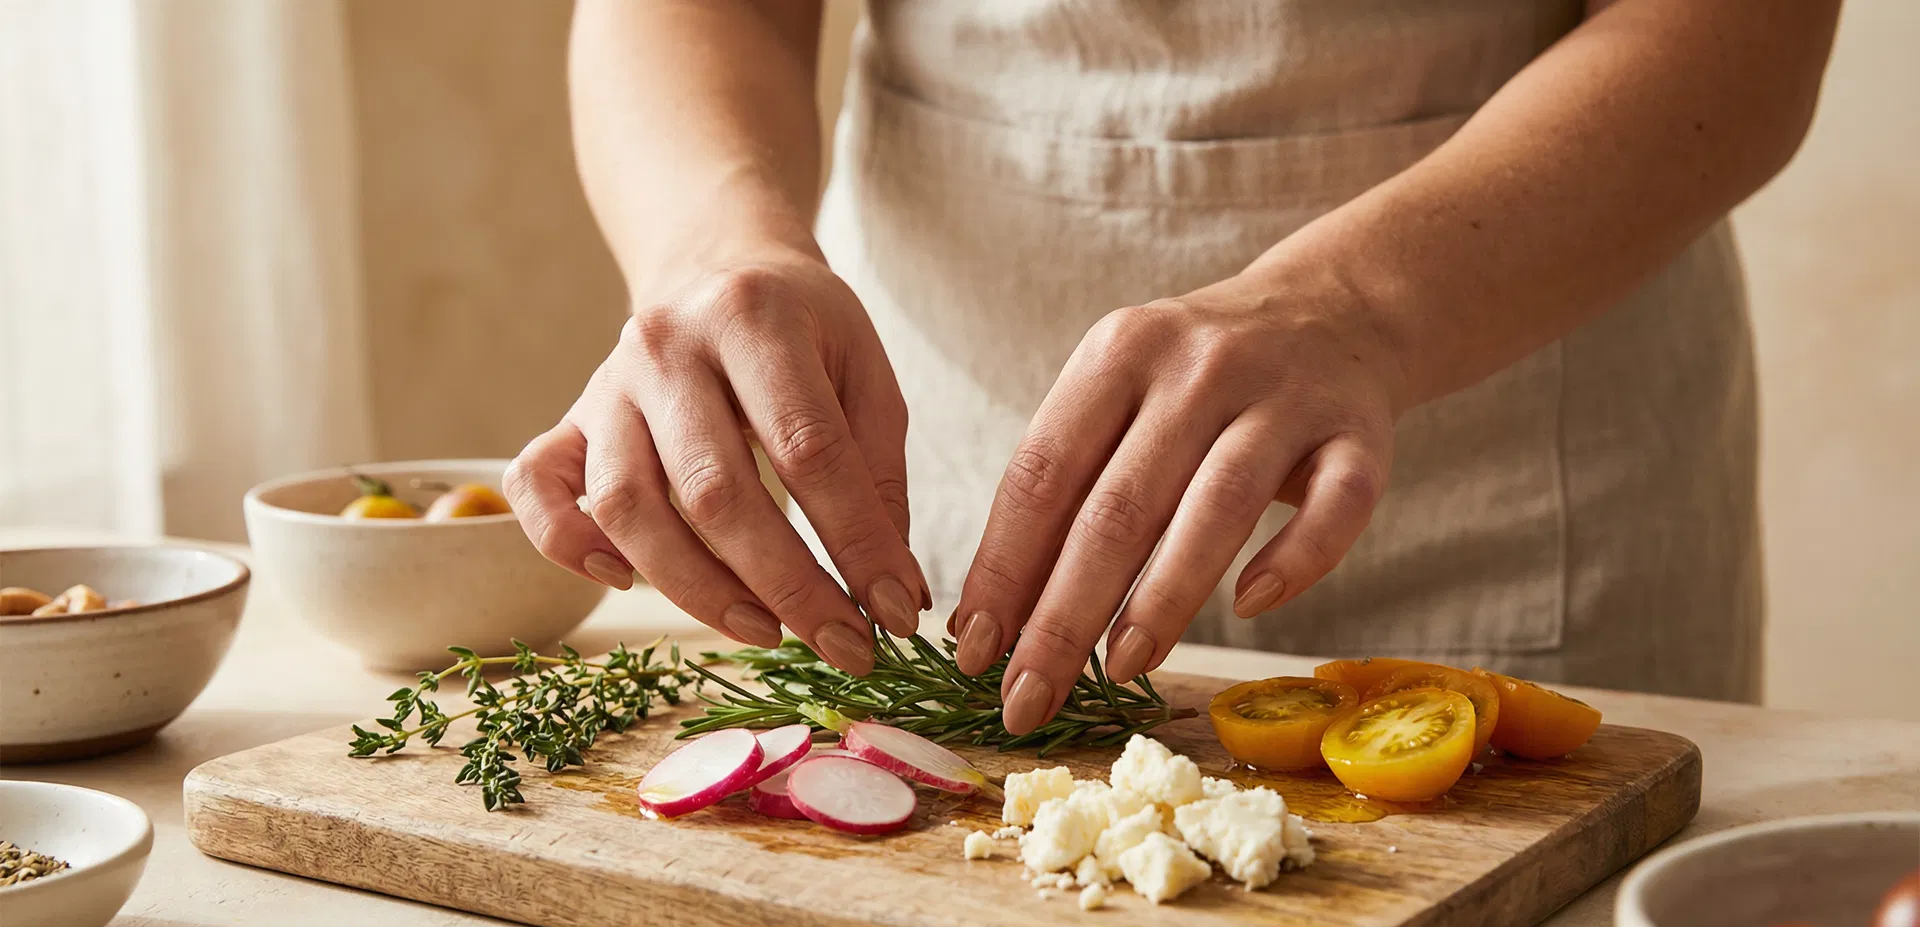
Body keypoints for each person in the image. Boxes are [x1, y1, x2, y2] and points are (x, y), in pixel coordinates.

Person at [505, 0, 1840, 733]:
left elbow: (1744, 33)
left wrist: (1361, 304)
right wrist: (707, 242)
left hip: (1512, 438)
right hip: (957, 447)